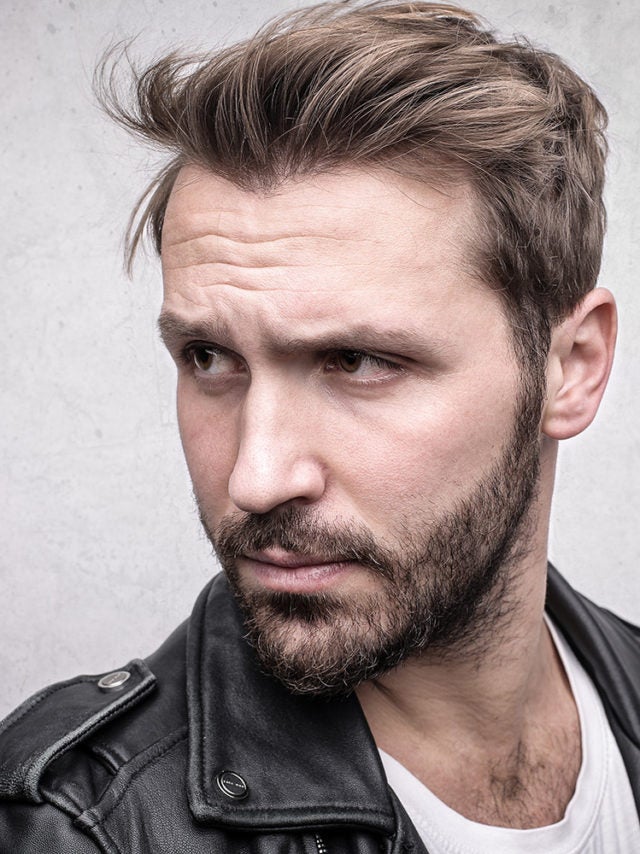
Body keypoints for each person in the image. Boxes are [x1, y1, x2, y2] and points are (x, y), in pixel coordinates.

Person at [0, 1, 638, 851]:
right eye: (209, 358)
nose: (255, 478)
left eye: (358, 361)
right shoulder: (81, 831)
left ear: (572, 367)